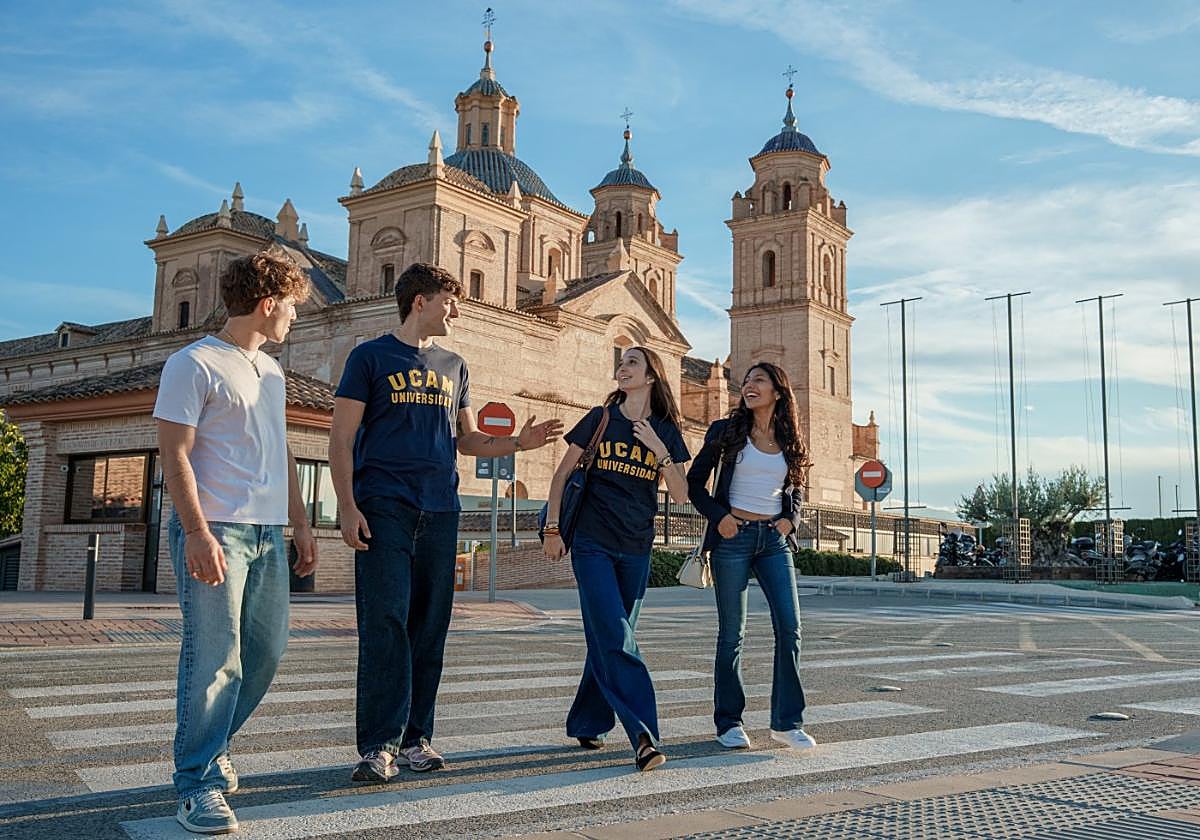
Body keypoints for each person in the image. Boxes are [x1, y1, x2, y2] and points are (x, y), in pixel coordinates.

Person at [330, 262, 562, 784]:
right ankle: (379, 746)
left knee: (430, 626)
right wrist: (347, 505)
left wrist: (518, 444)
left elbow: (468, 440)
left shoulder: (455, 366)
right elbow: (341, 437)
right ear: (420, 301)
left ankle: (417, 739)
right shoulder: (369, 357)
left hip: (440, 509)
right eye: (449, 302)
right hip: (384, 506)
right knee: (385, 621)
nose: (457, 311)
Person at [154, 250, 318, 834]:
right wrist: (197, 532)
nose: (295, 316)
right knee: (215, 657)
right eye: (292, 306)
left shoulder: (270, 371)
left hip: (268, 532)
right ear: (268, 304)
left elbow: (281, 450)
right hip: (216, 527)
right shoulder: (192, 363)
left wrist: (300, 522)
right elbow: (174, 452)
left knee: (266, 651)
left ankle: (214, 742)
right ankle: (197, 782)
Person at [543, 346, 691, 771]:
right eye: (621, 362)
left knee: (609, 635)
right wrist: (552, 529)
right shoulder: (600, 418)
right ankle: (643, 736)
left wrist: (659, 449)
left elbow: (681, 495)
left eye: (632, 363)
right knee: (615, 634)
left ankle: (587, 721)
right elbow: (562, 475)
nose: (622, 368)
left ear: (651, 376)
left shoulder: (665, 430)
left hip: (636, 548)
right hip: (592, 543)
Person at [686, 362, 814, 752]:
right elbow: (695, 484)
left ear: (778, 390)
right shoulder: (725, 431)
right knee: (733, 634)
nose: (748, 386)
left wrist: (791, 520)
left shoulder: (791, 438)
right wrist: (720, 518)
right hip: (733, 539)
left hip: (774, 541)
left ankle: (787, 723)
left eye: (758, 380)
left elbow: (796, 486)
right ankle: (729, 722)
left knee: (790, 628)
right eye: (746, 381)